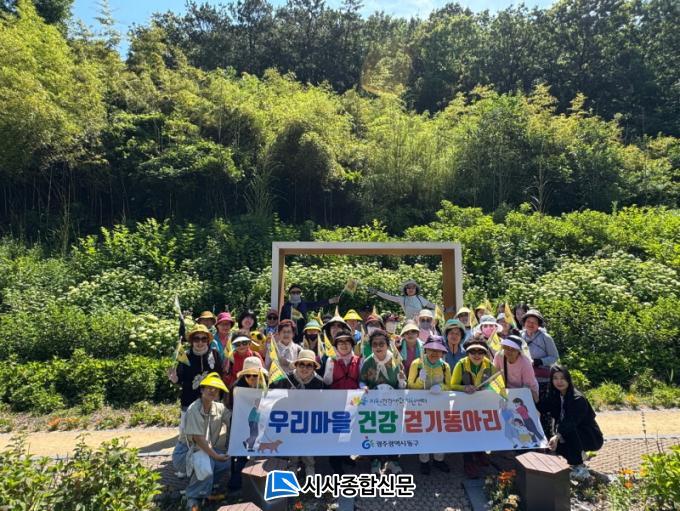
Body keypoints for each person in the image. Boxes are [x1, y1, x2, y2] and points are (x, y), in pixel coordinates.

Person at [172, 372, 231, 511]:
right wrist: (216, 456)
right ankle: (192, 498)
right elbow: (198, 440)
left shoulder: (219, 408)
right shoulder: (194, 409)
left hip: (204, 450)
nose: (212, 391)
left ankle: (206, 489)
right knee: (207, 463)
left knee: (226, 463)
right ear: (202, 390)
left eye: (216, 389)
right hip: (185, 452)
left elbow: (233, 421)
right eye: (209, 388)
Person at [537, 365, 603, 480]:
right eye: (555, 378)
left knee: (568, 432)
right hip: (566, 433)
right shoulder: (555, 395)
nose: (559, 382)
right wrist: (532, 397)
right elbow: (543, 407)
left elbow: (571, 422)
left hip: (589, 436)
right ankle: (571, 463)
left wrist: (557, 436)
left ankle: (579, 467)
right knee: (555, 438)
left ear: (568, 379)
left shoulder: (578, 399)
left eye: (562, 378)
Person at [450, 339, 500, 478]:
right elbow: (452, 385)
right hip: (464, 406)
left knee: (481, 429)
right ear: (468, 353)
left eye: (480, 352)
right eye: (473, 352)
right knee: (467, 432)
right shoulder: (461, 365)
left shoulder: (489, 365)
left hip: (482, 406)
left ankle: (480, 452)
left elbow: (496, 382)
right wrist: (464, 388)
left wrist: (488, 388)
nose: (477, 355)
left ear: (485, 353)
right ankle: (468, 462)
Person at [360, 329, 406, 475]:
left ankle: (393, 460)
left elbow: (402, 385)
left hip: (393, 405)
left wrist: (402, 381)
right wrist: (363, 387)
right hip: (373, 405)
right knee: (374, 431)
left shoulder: (396, 360)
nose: (378, 347)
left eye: (382, 343)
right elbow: (362, 380)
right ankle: (375, 461)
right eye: (375, 344)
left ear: (387, 345)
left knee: (393, 431)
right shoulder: (368, 362)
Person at [272, 349, 325, 478]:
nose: (305, 368)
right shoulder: (286, 379)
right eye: (301, 364)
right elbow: (274, 396)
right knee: (292, 444)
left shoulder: (319, 382)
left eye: (309, 365)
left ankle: (310, 467)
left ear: (313, 368)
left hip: (309, 420)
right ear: (296, 365)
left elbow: (322, 403)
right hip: (290, 419)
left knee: (308, 445)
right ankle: (293, 465)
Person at [407, 336, 451, 475]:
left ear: (442, 352)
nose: (434, 353)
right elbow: (410, 386)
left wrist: (441, 387)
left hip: (440, 407)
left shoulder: (445, 366)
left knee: (440, 433)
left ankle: (439, 460)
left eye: (438, 350)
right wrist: (420, 380)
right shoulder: (417, 364)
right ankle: (424, 461)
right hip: (421, 408)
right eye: (431, 349)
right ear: (425, 349)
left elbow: (449, 386)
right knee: (423, 433)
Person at [322, 329, 361, 475]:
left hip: (353, 402)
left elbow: (361, 380)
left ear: (352, 344)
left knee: (350, 430)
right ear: (336, 345)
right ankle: (335, 462)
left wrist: (364, 387)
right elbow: (327, 381)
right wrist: (330, 368)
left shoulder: (359, 360)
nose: (344, 345)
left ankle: (345, 455)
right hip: (336, 401)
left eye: (347, 342)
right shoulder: (331, 360)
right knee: (336, 431)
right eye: (340, 342)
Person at [168, 324, 223, 413]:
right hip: (189, 402)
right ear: (192, 341)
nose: (200, 342)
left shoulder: (215, 354)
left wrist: (218, 395)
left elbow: (220, 377)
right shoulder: (185, 356)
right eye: (196, 339)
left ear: (208, 341)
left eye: (204, 339)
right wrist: (175, 379)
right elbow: (179, 379)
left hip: (211, 401)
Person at [520, 309, 559, 394]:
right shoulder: (520, 336)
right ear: (524, 322)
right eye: (528, 321)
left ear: (538, 325)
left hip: (542, 378)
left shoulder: (546, 337)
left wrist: (539, 362)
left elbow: (554, 357)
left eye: (534, 322)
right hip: (524, 377)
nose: (530, 324)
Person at [493, 336, 539, 403]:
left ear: (518, 351)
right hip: (506, 390)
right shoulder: (498, 356)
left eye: (513, 349)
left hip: (525, 391)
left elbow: (528, 386)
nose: (509, 351)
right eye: (506, 347)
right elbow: (494, 375)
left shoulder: (525, 362)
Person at [367, 280, 435, 321]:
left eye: (413, 287)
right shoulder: (402, 299)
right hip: (410, 323)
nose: (411, 289)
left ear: (416, 289)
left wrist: (441, 308)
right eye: (408, 288)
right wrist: (377, 292)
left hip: (422, 322)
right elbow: (389, 297)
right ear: (406, 289)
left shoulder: (420, 298)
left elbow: (431, 305)